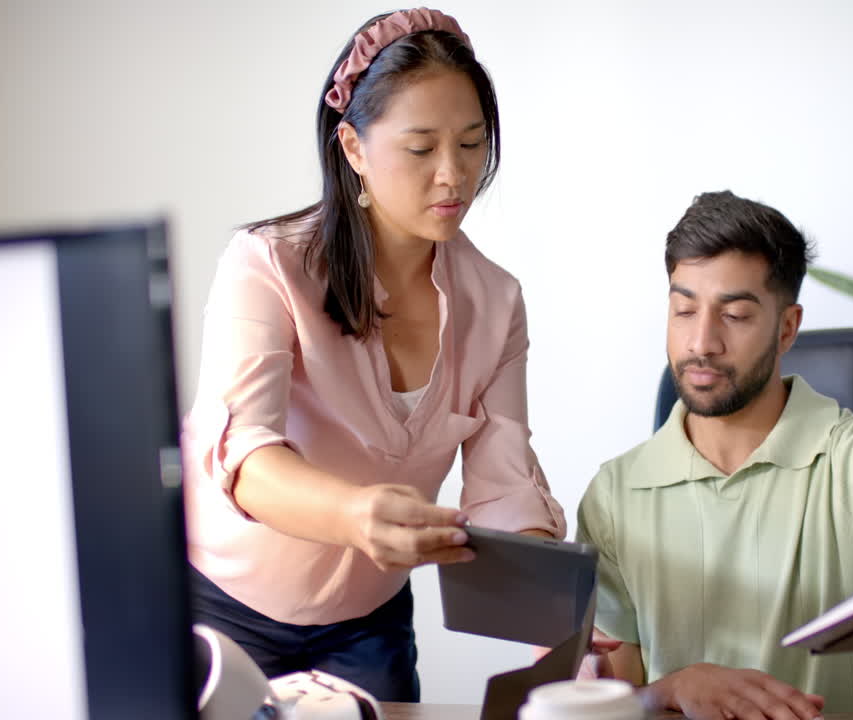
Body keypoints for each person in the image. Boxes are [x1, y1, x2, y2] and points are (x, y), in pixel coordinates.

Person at [181, 8, 566, 702]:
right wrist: (356, 516)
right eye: (421, 149)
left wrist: (559, 630)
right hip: (221, 608)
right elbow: (245, 455)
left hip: (367, 624)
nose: (454, 175)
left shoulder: (497, 302)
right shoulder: (267, 265)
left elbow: (502, 483)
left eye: (473, 144)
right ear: (354, 147)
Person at [576, 190, 853, 718]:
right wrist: (671, 688)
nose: (701, 341)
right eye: (684, 309)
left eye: (733, 314)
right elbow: (615, 697)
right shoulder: (615, 493)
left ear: (787, 329)